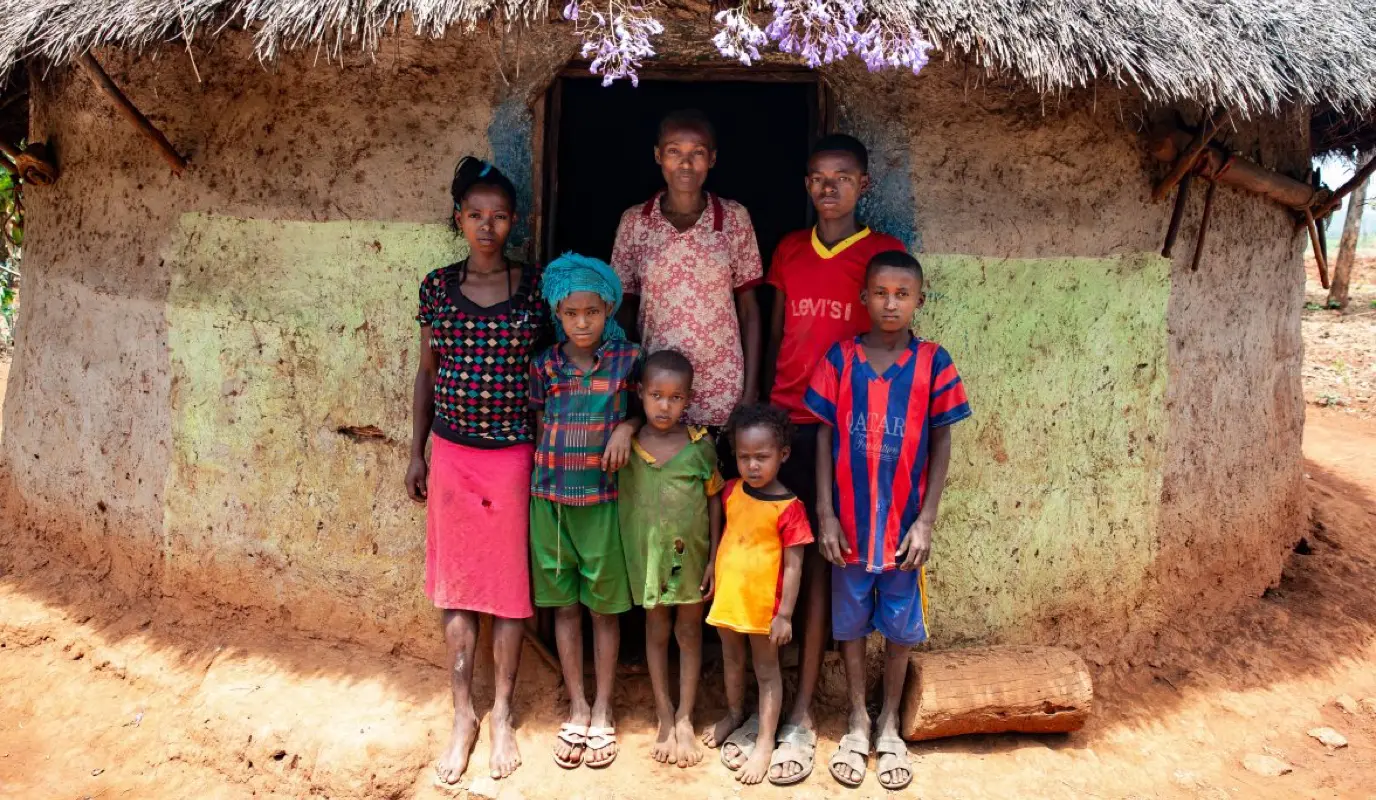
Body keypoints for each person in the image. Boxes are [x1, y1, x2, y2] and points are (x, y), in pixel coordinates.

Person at [761, 133, 906, 786]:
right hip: (784, 420)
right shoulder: (789, 250)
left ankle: (802, 709)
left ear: (863, 185)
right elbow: (778, 327)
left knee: (823, 568)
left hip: (841, 434)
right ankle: (766, 699)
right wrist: (760, 404)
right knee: (775, 561)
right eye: (817, 176)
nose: (828, 187)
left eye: (842, 176)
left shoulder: (880, 256)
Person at [407, 157, 551, 784]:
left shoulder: (536, 286)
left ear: (513, 221)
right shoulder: (437, 287)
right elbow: (427, 373)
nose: (487, 226)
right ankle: (462, 714)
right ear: (458, 220)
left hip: (515, 454)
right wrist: (417, 450)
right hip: (454, 454)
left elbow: (556, 372)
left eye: (498, 216)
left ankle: (501, 714)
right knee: (458, 586)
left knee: (509, 591)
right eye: (475, 215)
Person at [805, 250, 972, 790]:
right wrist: (826, 513)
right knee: (850, 623)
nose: (891, 303)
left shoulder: (933, 362)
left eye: (902, 294)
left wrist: (925, 521)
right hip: (849, 527)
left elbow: (943, 439)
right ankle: (856, 717)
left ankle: (890, 722)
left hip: (903, 528)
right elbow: (825, 433)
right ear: (864, 298)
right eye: (881, 293)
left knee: (900, 627)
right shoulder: (841, 358)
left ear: (919, 300)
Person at [529, 253, 642, 770]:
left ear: (609, 308)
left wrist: (628, 425)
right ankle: (576, 702)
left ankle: (603, 707)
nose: (581, 323)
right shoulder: (545, 364)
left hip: (602, 504)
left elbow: (651, 406)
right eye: (571, 313)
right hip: (550, 504)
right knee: (565, 607)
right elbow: (536, 424)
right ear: (558, 313)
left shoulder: (627, 362)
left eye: (591, 312)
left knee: (604, 609)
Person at [611, 108, 764, 433]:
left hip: (722, 391)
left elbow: (749, 310)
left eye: (697, 153)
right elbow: (623, 311)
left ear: (712, 159)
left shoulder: (734, 219)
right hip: (657, 390)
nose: (685, 163)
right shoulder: (636, 222)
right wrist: (627, 387)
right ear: (658, 156)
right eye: (674, 152)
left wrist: (749, 393)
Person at [617, 349, 725, 769]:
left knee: (690, 633)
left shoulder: (700, 448)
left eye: (676, 397)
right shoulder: (629, 444)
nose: (665, 405)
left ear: (689, 399)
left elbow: (715, 503)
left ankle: (685, 715)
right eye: (656, 395)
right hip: (649, 561)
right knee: (656, 629)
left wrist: (715, 556)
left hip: (692, 559)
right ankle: (663, 713)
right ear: (640, 394)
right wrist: (625, 427)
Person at [701, 404, 813, 785]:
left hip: (765, 609)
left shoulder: (791, 508)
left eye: (762, 457)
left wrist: (784, 614)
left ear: (782, 455)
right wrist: (712, 570)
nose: (752, 465)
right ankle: (734, 715)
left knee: (767, 673)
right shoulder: (732, 490)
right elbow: (725, 536)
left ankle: (765, 742)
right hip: (730, 599)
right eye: (744, 456)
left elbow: (795, 566)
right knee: (732, 661)